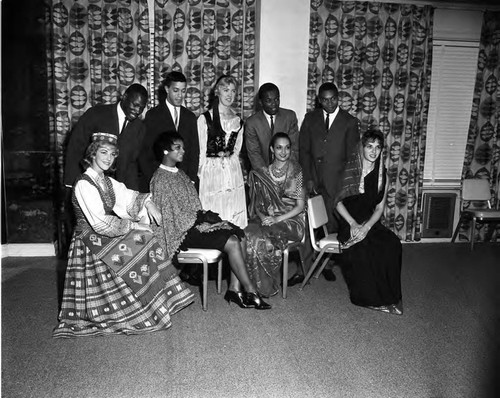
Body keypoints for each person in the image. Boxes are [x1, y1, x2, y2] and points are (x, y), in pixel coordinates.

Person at [53, 133, 194, 338]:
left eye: (112, 154)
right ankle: (133, 307)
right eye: (103, 152)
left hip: (107, 230)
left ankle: (155, 303)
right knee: (141, 241)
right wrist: (133, 226)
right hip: (89, 239)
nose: (108, 158)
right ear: (92, 154)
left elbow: (129, 197)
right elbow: (100, 223)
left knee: (148, 239)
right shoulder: (84, 183)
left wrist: (149, 203)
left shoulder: (107, 181)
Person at [150, 131, 271, 310]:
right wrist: (200, 219)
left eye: (183, 147)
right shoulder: (160, 179)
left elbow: (194, 205)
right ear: (165, 151)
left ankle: (235, 289)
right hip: (181, 233)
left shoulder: (180, 173)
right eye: (178, 148)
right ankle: (251, 291)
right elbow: (170, 217)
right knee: (231, 241)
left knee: (239, 233)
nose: (183, 151)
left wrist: (204, 218)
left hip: (195, 224)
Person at [334, 129, 403, 315]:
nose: (374, 151)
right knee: (364, 248)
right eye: (369, 146)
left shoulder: (383, 175)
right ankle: (365, 298)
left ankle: (390, 296)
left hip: (370, 222)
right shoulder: (349, 170)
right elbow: (338, 203)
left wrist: (367, 226)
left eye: (378, 147)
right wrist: (354, 225)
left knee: (392, 244)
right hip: (348, 221)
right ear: (361, 147)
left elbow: (379, 208)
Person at [299, 81, 360, 281]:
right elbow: (304, 151)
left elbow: (352, 157)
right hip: (315, 180)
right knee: (314, 223)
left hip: (338, 184)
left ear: (338, 97)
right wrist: (308, 179)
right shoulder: (310, 119)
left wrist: (347, 186)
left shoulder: (349, 122)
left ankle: (329, 263)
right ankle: (309, 263)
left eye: (333, 99)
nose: (330, 103)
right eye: (325, 100)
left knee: (334, 222)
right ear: (319, 100)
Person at [245, 133, 306, 297]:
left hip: (291, 219)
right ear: (272, 149)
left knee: (268, 236)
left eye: (287, 147)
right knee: (249, 234)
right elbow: (257, 204)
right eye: (279, 147)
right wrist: (263, 216)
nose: (284, 152)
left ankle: (266, 286)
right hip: (267, 218)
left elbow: (300, 207)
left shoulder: (296, 171)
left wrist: (277, 218)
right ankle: (253, 286)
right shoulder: (262, 173)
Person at [64, 83, 148, 191]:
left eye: (141, 107)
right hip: (89, 186)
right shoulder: (96, 114)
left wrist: (133, 194)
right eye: (135, 105)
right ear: (124, 96)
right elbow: (75, 148)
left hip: (117, 191)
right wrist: (71, 183)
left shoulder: (139, 128)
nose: (138, 111)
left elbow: (131, 164)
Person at [197, 75, 247, 229]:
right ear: (217, 91)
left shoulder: (237, 120)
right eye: (226, 90)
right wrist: (200, 174)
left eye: (233, 91)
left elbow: (237, 149)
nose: (229, 94)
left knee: (233, 213)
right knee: (215, 214)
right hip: (212, 173)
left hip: (232, 172)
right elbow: (201, 151)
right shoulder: (205, 119)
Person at [139, 71, 199, 192]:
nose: (180, 96)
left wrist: (191, 179)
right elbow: (146, 152)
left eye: (183, 91)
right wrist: (154, 179)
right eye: (175, 90)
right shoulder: (153, 115)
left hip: (184, 182)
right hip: (160, 181)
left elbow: (194, 151)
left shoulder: (190, 117)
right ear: (167, 89)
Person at [245, 83, 299, 172]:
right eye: (268, 101)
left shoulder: (290, 116)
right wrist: (267, 175)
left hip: (286, 172)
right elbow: (254, 153)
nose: (274, 104)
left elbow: (294, 147)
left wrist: (286, 171)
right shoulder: (252, 122)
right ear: (260, 102)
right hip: (262, 174)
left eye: (276, 99)